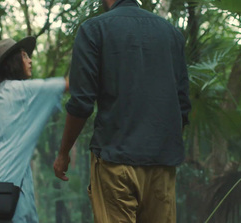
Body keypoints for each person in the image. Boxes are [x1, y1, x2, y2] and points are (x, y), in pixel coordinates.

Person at [53, 0, 191, 222]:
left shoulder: (93, 29)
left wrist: (63, 153)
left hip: (115, 160)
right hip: (161, 165)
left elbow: (81, 103)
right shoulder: (171, 33)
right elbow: (183, 105)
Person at [0, 36, 69, 222]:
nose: (30, 60)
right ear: (13, 62)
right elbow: (68, 84)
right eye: (24, 55)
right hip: (11, 206)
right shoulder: (21, 92)